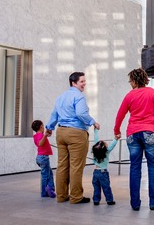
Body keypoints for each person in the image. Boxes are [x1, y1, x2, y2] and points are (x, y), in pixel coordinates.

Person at [114, 68, 154, 211]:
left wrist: (116, 130)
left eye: (130, 80)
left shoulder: (129, 96)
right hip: (150, 132)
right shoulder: (153, 93)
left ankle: (135, 204)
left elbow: (120, 115)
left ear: (134, 81)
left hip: (133, 134)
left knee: (135, 167)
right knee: (153, 167)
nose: (130, 83)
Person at [46, 72, 100, 204]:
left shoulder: (61, 97)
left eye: (84, 81)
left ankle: (61, 196)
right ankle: (76, 197)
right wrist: (93, 122)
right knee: (76, 166)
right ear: (73, 83)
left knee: (62, 165)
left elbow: (54, 114)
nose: (84, 84)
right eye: (82, 81)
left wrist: (49, 128)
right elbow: (81, 113)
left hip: (61, 132)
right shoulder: (79, 96)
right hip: (76, 133)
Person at [91, 128, 119, 206]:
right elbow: (112, 146)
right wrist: (116, 139)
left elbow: (96, 140)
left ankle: (96, 200)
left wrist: (96, 130)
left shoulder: (95, 152)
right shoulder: (106, 153)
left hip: (95, 172)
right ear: (105, 148)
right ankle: (109, 200)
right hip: (103, 172)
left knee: (96, 187)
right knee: (106, 187)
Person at [31, 120, 56, 198]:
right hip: (43, 157)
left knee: (49, 173)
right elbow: (40, 144)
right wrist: (45, 136)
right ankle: (45, 192)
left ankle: (50, 188)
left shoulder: (36, 135)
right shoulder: (40, 135)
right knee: (45, 175)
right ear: (41, 126)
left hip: (40, 157)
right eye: (43, 125)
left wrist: (46, 135)